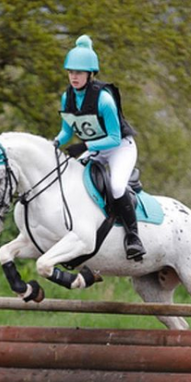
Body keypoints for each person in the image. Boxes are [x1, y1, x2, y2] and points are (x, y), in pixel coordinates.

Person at [54, 35, 146, 261]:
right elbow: (67, 131)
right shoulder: (67, 97)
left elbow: (114, 138)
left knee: (115, 186)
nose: (74, 76)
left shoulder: (104, 99)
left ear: (90, 74)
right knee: (73, 179)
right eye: (71, 72)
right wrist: (54, 144)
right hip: (95, 149)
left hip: (120, 148)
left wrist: (85, 146)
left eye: (79, 72)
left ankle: (133, 237)